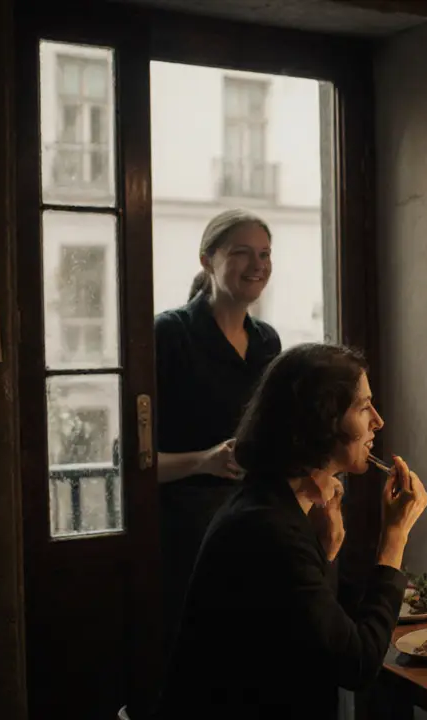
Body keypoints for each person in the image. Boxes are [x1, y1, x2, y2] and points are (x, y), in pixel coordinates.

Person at [157, 343, 427, 719]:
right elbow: (358, 664)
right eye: (363, 407)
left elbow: (319, 627)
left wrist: (327, 551)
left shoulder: (276, 505)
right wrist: (395, 538)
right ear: (323, 421)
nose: (378, 421)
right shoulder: (267, 528)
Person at [154, 209, 281, 644]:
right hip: (188, 535)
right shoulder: (168, 334)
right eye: (242, 253)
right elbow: (129, 461)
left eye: (264, 253)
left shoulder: (268, 341)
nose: (258, 265)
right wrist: (205, 461)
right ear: (207, 260)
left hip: (257, 529)